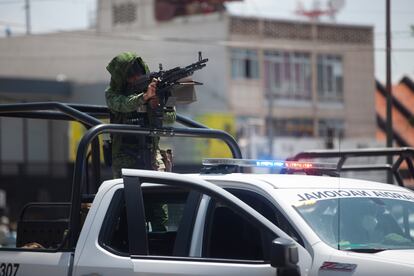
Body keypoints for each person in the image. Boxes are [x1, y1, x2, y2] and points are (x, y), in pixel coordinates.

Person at [105, 52, 176, 178]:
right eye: (131, 75)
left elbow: (170, 118)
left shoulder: (153, 89)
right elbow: (123, 104)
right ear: (121, 77)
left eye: (139, 73)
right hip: (126, 158)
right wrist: (145, 97)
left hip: (152, 156)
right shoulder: (112, 94)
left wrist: (156, 106)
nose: (136, 78)